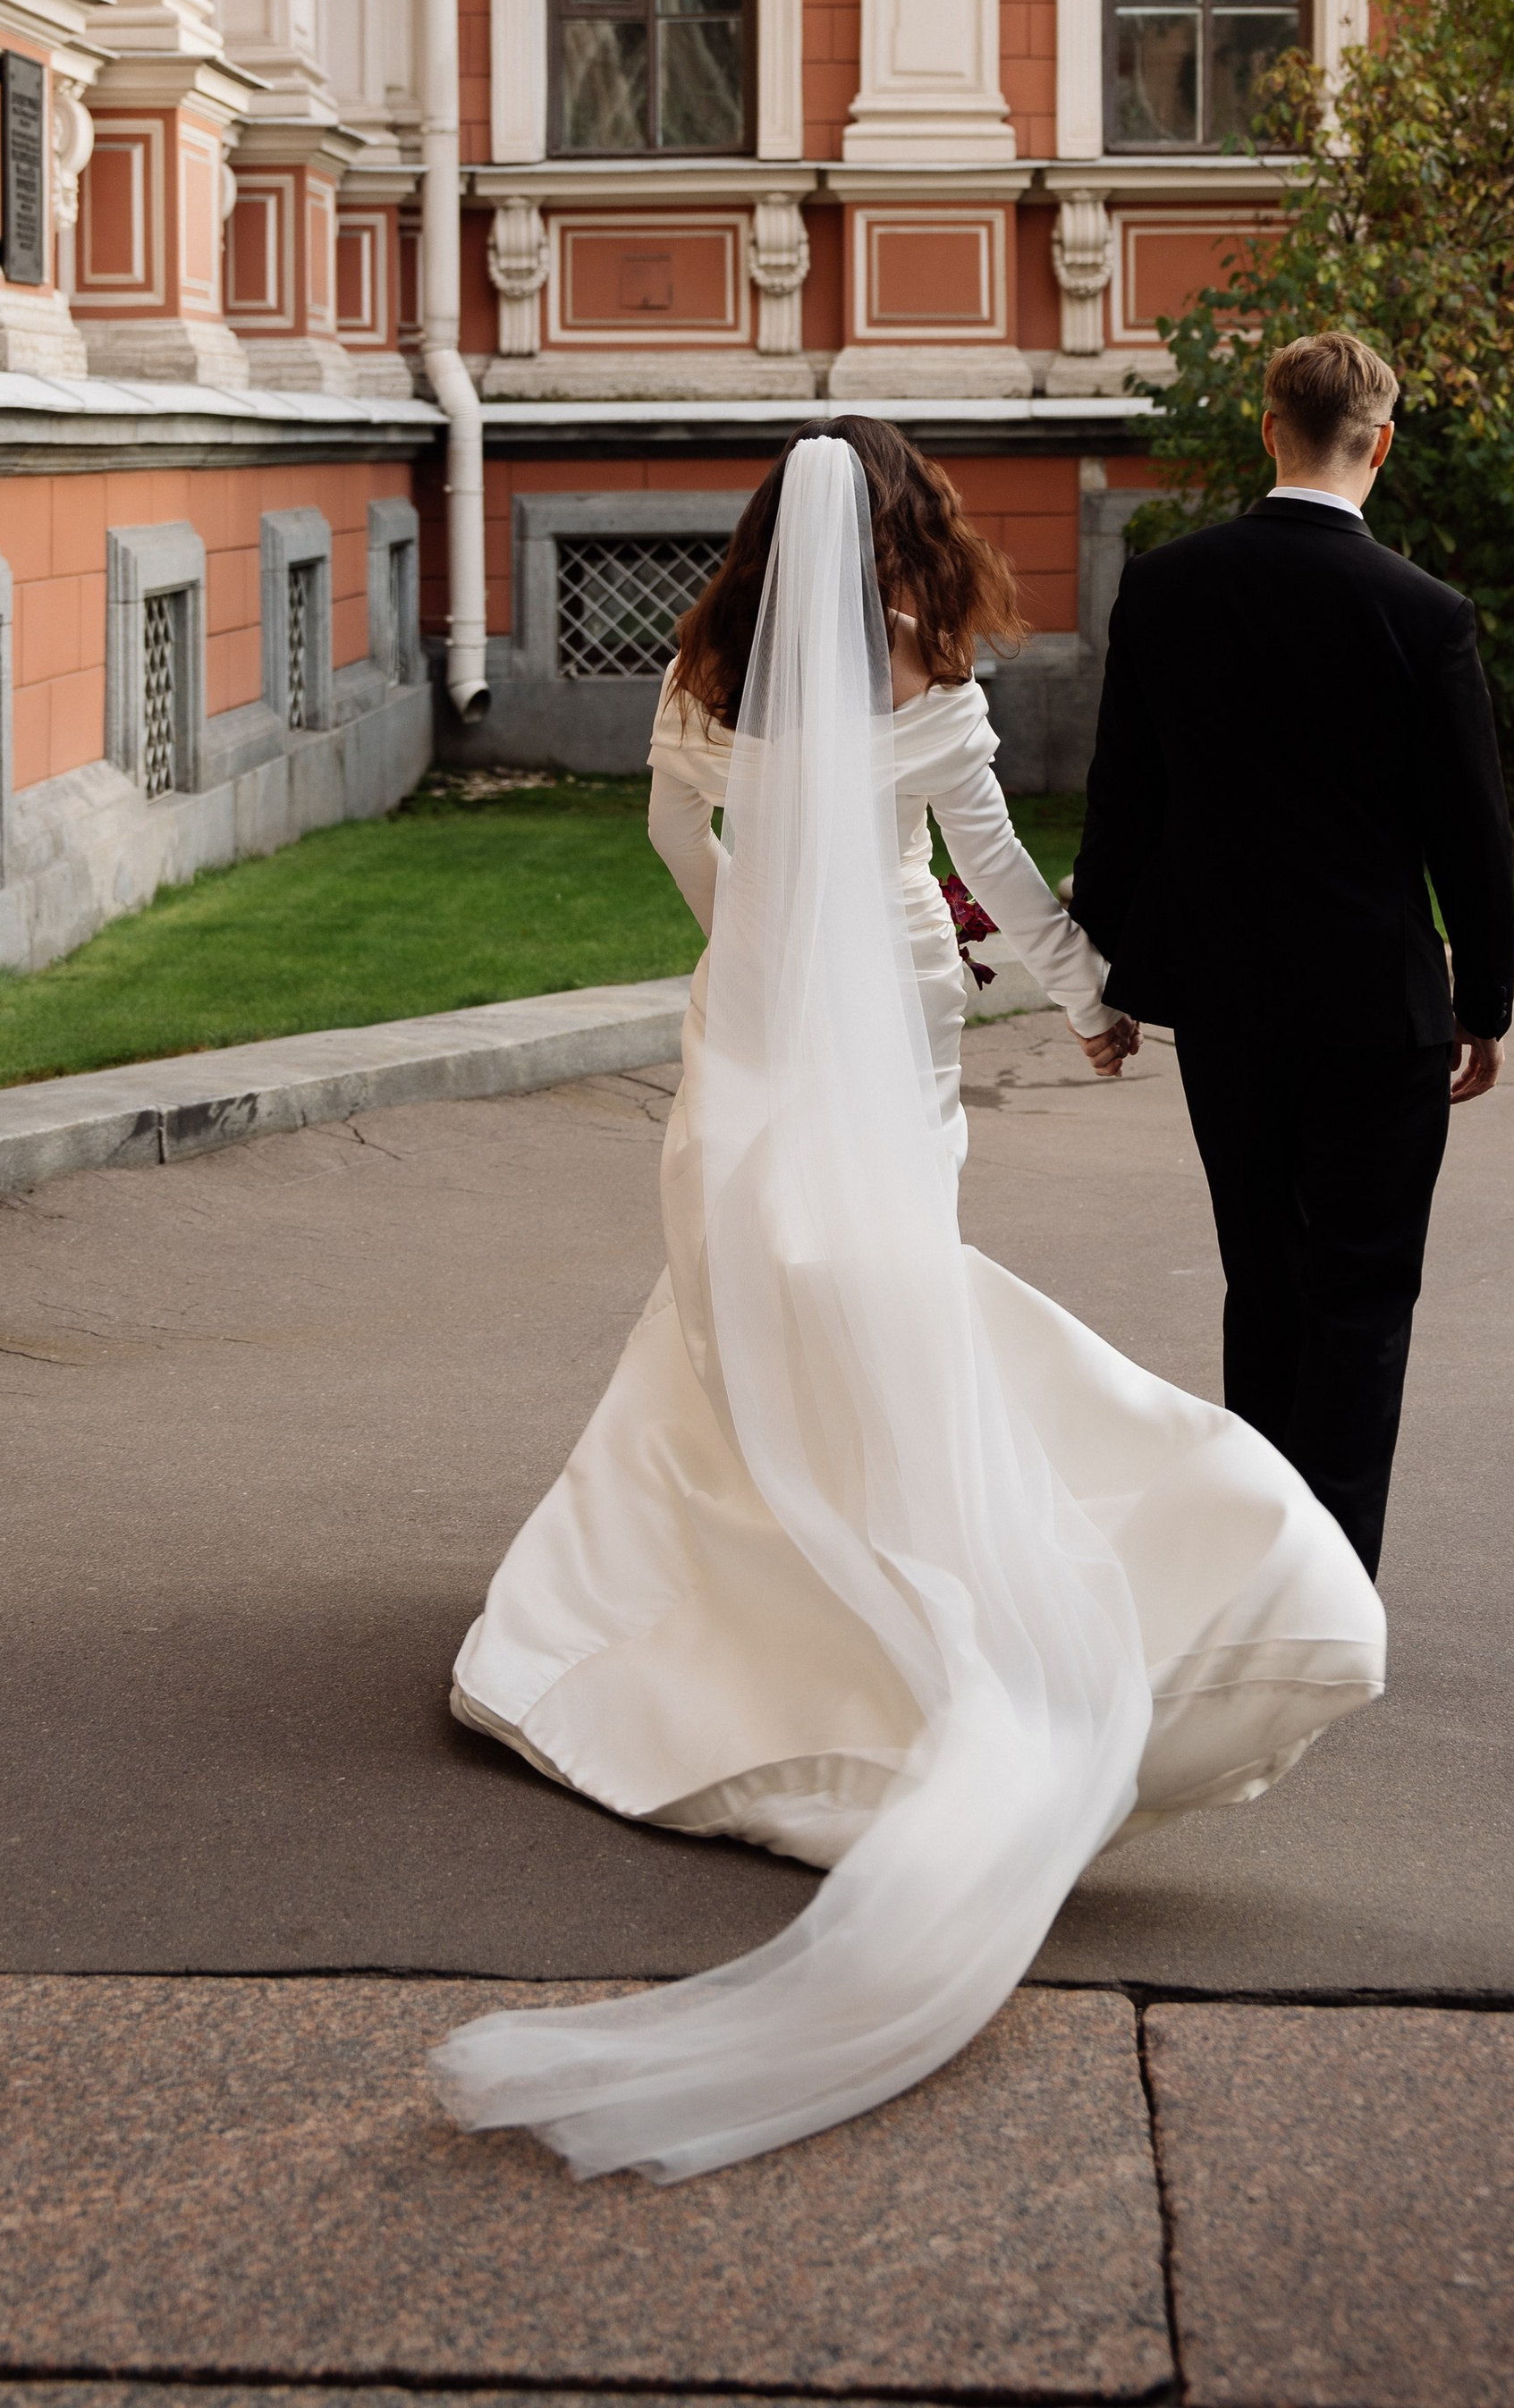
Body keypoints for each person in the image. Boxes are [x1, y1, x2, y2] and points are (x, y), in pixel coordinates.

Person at [432, 418, 1385, 2184]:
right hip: (891, 1007)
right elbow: (997, 879)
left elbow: (669, 827)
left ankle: (716, 1568)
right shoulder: (937, 692)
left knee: (743, 1288)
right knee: (866, 1285)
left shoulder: (707, 664)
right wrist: (1088, 996)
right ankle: (880, 1544)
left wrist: (743, 936)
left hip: (758, 1018)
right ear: (910, 539)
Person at [1067, 331, 1514, 1582]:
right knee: (1364, 1298)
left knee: (1259, 1278)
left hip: (1228, 1002)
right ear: (1377, 444)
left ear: (1270, 430)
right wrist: (1484, 996)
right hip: (1378, 1008)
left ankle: (1250, 1571)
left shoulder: (1167, 587)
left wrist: (1108, 969)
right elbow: (1470, 829)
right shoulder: (1425, 614)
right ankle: (1331, 1584)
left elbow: (1125, 800)